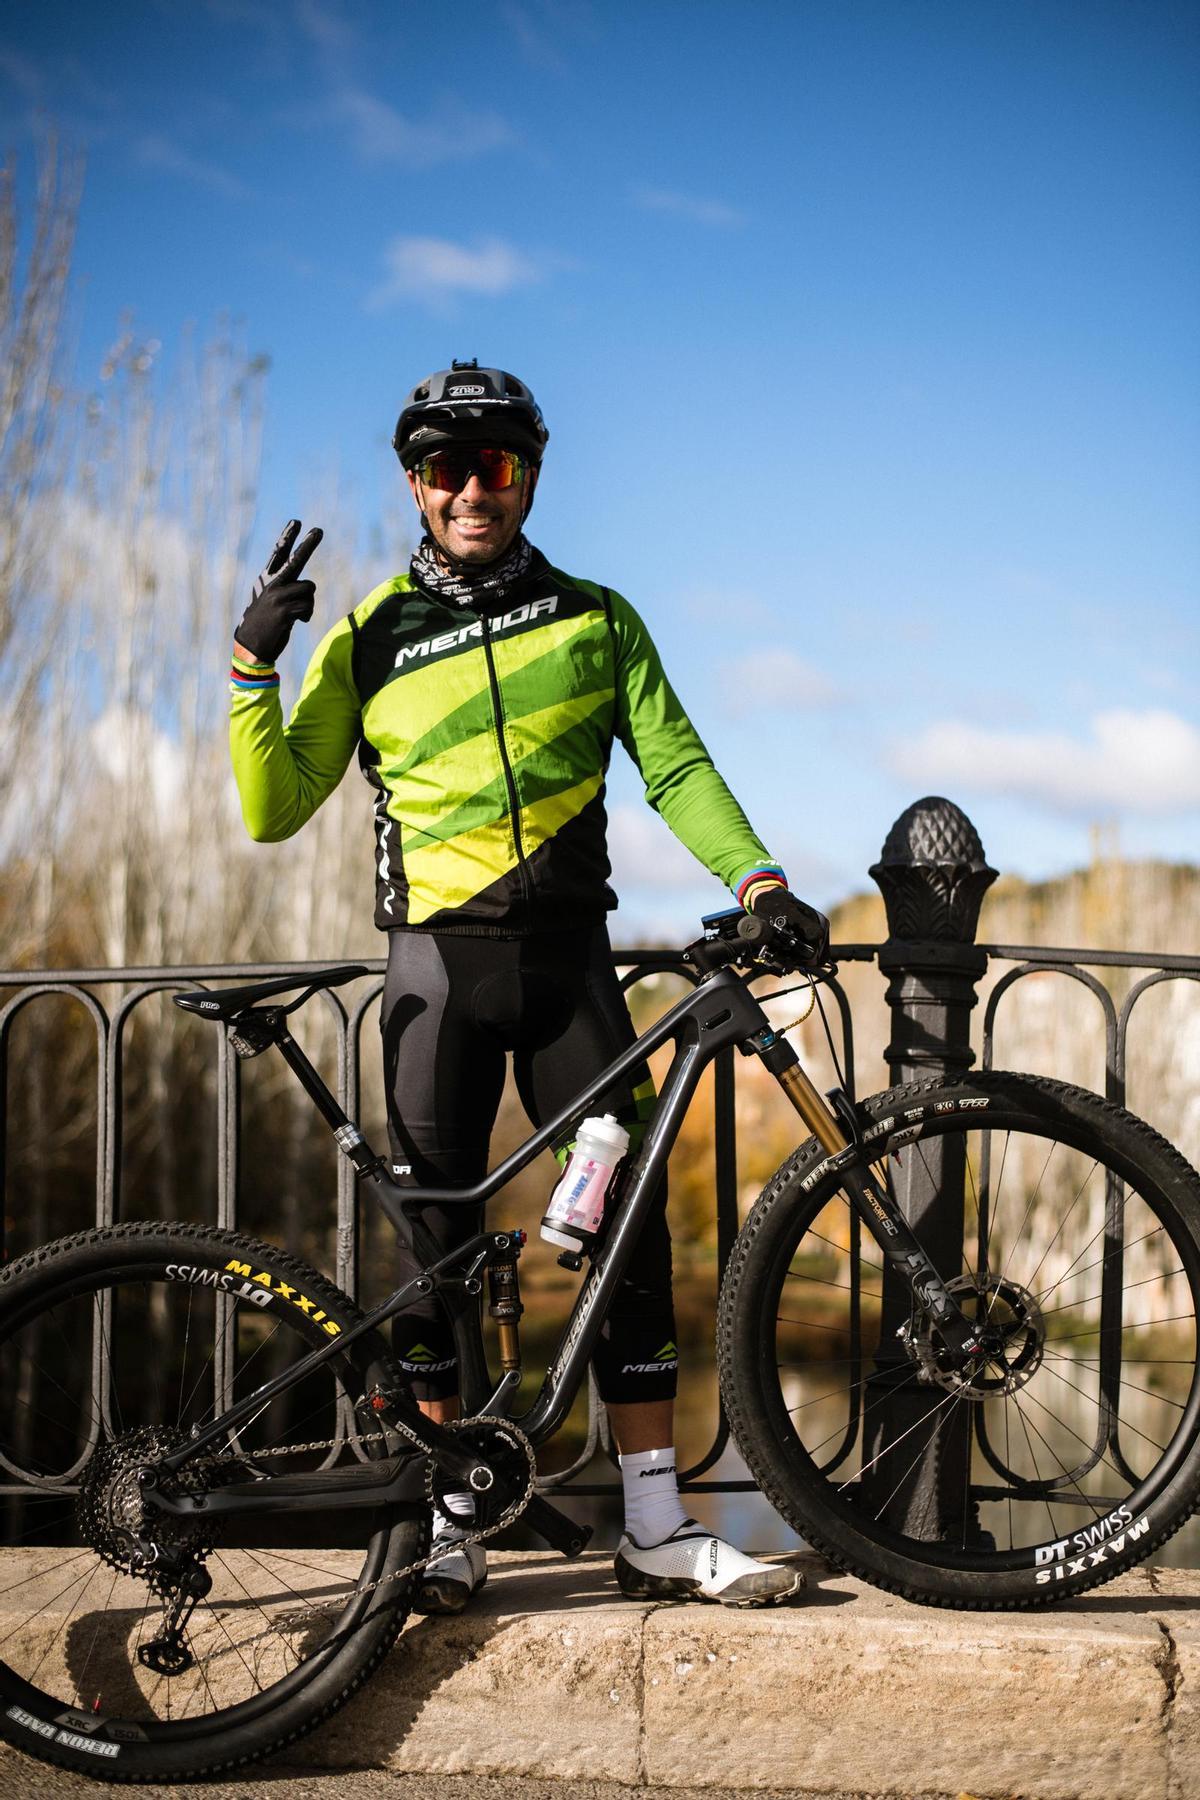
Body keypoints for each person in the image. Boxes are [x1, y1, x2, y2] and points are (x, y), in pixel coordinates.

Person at [229, 361, 829, 1613]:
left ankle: (658, 1525)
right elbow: (276, 808)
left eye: (494, 465)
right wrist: (250, 667)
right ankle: (452, 1527)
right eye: (445, 468)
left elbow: (677, 767)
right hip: (433, 975)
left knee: (633, 1240)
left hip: (570, 969)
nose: (469, 490)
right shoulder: (371, 633)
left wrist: (762, 881)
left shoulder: (597, 619)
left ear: (529, 477)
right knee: (430, 1254)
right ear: (415, 483)